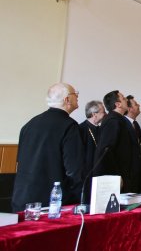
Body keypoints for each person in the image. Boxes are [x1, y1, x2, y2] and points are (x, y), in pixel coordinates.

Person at [12, 83, 84, 212]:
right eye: (75, 94)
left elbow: (19, 163)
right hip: (51, 204)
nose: (77, 96)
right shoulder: (69, 126)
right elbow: (74, 170)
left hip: (22, 199)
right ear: (67, 99)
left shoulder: (29, 124)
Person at [94, 90, 136, 193]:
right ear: (118, 104)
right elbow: (107, 151)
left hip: (123, 173)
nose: (126, 100)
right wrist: (116, 176)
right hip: (116, 177)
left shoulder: (119, 119)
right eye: (123, 98)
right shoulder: (113, 121)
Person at [79, 100, 106, 202]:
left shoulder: (101, 129)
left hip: (100, 172)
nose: (105, 114)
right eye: (103, 112)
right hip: (87, 174)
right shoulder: (81, 129)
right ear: (94, 114)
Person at [125, 94, 141, 192]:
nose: (138, 105)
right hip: (127, 173)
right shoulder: (122, 124)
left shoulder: (136, 124)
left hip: (136, 172)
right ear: (130, 108)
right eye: (135, 104)